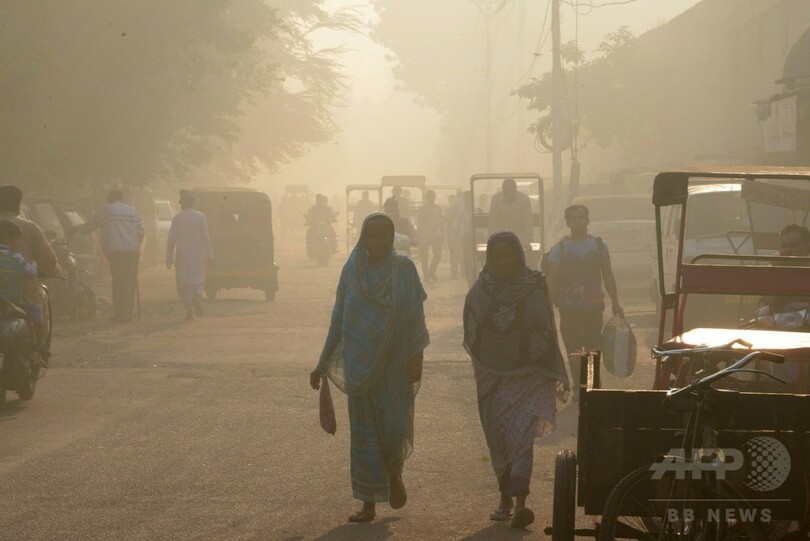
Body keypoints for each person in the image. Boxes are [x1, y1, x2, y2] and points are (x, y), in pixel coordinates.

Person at [309, 213, 430, 523]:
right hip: (358, 365)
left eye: (383, 236)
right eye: (371, 236)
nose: (376, 242)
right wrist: (322, 363)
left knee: (393, 427)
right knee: (364, 435)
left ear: (392, 238)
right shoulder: (351, 270)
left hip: (394, 364)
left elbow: (415, 316)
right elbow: (339, 317)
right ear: (363, 238)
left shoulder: (403, 268)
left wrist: (416, 358)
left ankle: (393, 470)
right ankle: (368, 503)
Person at [463, 232, 568, 529]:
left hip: (527, 377)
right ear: (490, 259)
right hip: (492, 378)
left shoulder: (534, 285)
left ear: (519, 256)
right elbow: (472, 325)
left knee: (521, 440)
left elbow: (544, 326)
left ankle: (521, 501)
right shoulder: (482, 288)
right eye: (497, 256)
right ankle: (504, 497)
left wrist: (544, 362)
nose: (503, 261)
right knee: (498, 440)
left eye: (509, 255)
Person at [546, 204, 623, 399]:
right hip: (568, 309)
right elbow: (553, 280)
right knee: (573, 348)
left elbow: (608, 274)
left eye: (581, 218)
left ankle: (593, 385)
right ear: (568, 222)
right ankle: (579, 387)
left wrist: (616, 301)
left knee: (593, 347)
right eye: (573, 218)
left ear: (587, 221)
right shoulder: (560, 248)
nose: (578, 222)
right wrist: (547, 307)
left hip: (593, 308)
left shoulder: (598, 246)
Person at [0, 185, 61, 350]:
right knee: (38, 309)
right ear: (18, 205)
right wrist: (54, 271)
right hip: (22, 291)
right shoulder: (29, 227)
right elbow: (48, 260)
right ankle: (40, 346)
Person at [73, 189, 144, 322]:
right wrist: (135, 243)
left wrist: (76, 229)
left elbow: (91, 226)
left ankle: (120, 314)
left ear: (109, 199)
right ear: (121, 199)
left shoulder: (105, 210)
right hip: (132, 251)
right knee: (129, 282)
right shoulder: (132, 211)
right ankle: (127, 313)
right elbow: (141, 231)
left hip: (116, 251)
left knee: (118, 281)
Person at [166, 190, 214, 322]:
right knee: (198, 278)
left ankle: (189, 311)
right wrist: (209, 255)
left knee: (184, 282)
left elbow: (171, 240)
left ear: (181, 204)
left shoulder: (177, 218)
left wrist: (169, 257)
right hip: (198, 254)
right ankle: (197, 297)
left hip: (182, 255)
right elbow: (206, 237)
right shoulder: (200, 216)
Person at [0, 220, 45, 349]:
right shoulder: (16, 257)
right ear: (8, 239)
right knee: (36, 311)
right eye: (15, 240)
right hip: (14, 299)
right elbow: (31, 271)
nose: (16, 243)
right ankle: (40, 344)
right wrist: (35, 264)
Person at [488, 178, 533, 247]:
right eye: (506, 191)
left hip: (520, 237)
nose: (509, 193)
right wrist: (492, 239)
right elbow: (492, 220)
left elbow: (528, 219)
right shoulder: (495, 199)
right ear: (503, 190)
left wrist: (528, 238)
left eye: (511, 191)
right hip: (501, 237)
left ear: (515, 189)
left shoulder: (524, 199)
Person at [416, 190, 443, 282]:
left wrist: (442, 234)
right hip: (424, 235)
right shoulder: (422, 208)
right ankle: (427, 276)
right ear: (427, 197)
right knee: (424, 257)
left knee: (438, 255)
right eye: (430, 196)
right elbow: (419, 223)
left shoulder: (438, 208)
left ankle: (431, 271)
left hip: (435, 234)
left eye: (433, 196)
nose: (432, 198)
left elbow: (441, 222)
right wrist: (420, 235)